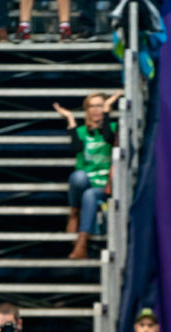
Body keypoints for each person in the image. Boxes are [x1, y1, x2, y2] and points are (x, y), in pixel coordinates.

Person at [54, 90, 119, 259]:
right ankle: (74, 212)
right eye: (92, 106)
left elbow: (108, 138)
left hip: (103, 186)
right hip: (85, 182)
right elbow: (76, 149)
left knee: (90, 195)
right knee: (78, 177)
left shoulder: (113, 128)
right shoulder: (82, 131)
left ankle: (81, 243)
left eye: (99, 105)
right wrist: (70, 119)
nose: (96, 109)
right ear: (87, 110)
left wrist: (106, 113)